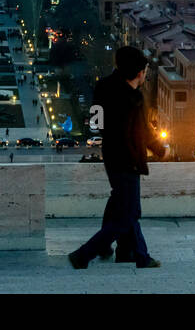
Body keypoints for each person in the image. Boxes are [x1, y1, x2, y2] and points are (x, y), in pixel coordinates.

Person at [69, 46, 161, 269]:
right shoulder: (134, 97)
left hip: (111, 156)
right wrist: (159, 148)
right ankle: (86, 253)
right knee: (129, 213)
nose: (146, 75)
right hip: (128, 160)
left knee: (120, 204)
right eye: (145, 70)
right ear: (139, 72)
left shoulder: (103, 86)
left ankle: (124, 251)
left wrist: (110, 135)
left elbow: (96, 121)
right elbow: (144, 132)